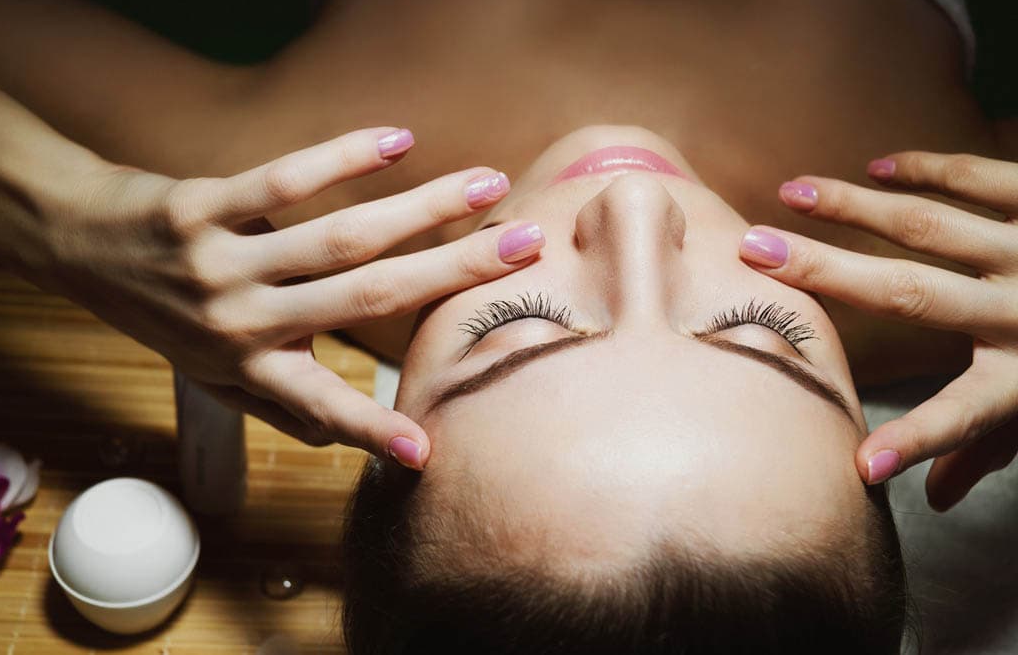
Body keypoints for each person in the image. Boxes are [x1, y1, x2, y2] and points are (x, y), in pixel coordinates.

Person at [339, 124, 1017, 653]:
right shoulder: (977, 255)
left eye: (516, 322)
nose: (637, 201)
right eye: (764, 331)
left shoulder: (272, 205)